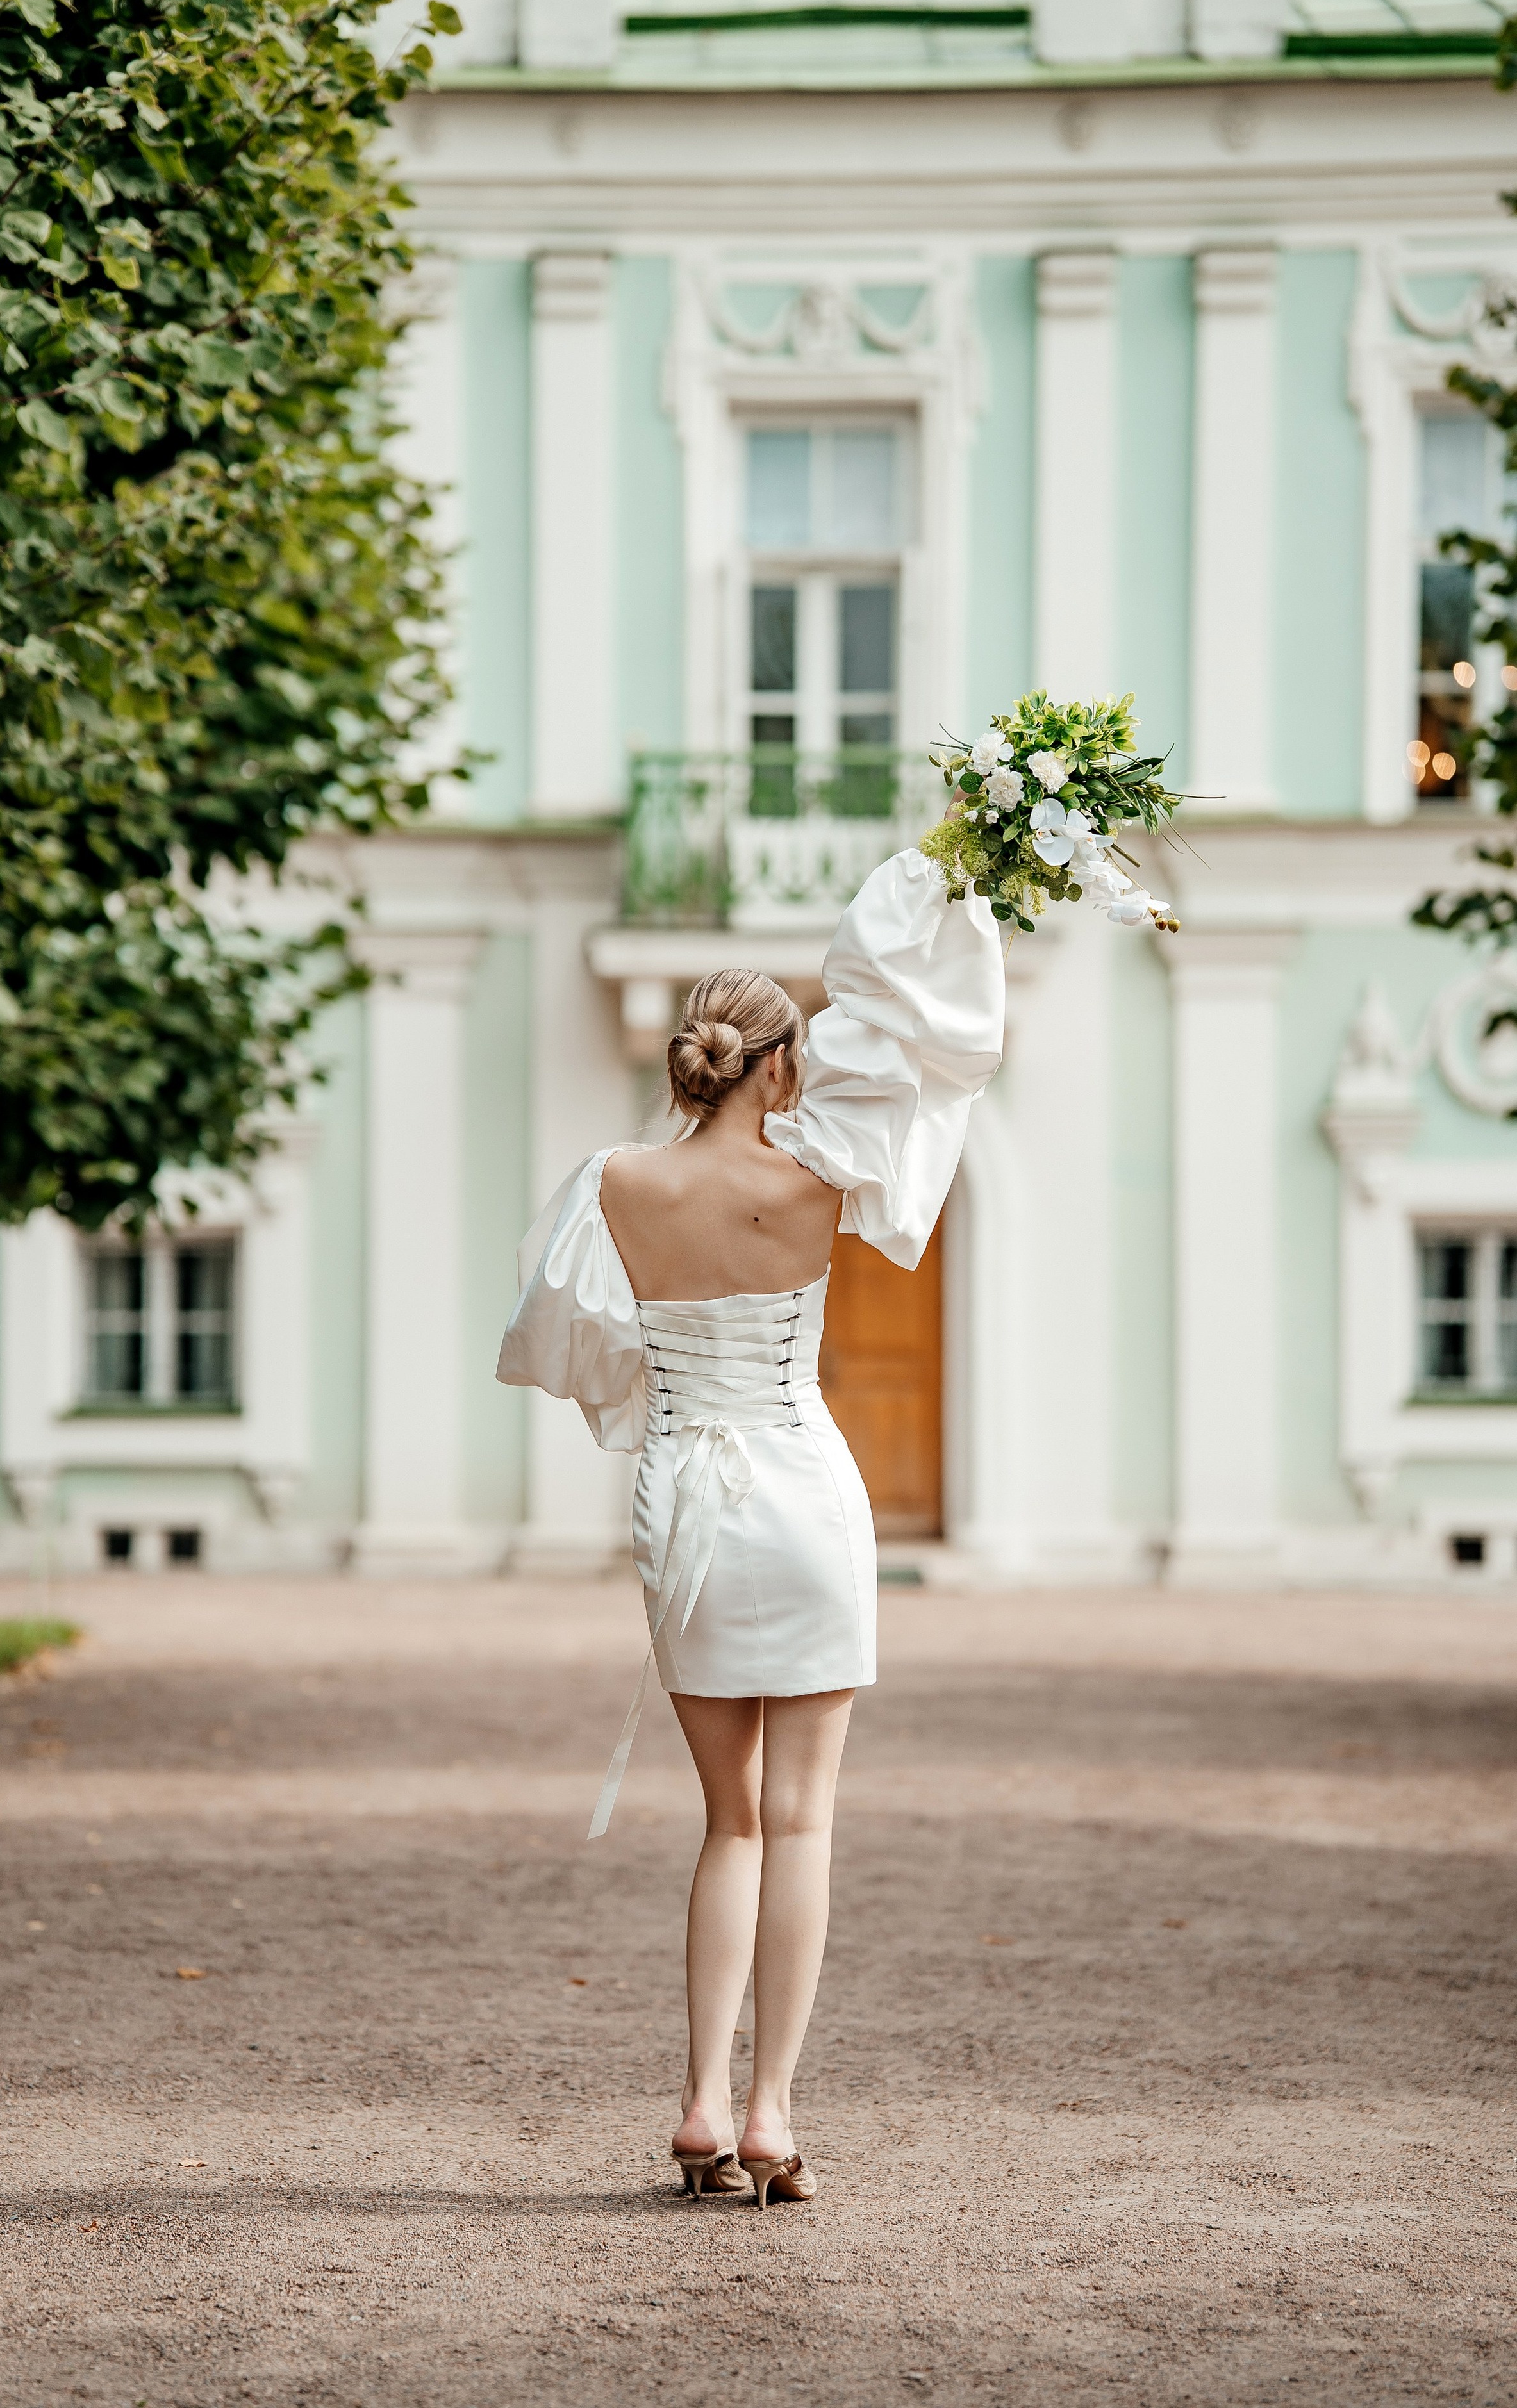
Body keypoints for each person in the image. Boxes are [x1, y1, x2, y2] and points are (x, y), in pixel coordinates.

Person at [497, 847, 1004, 2206]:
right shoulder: (818, 1186)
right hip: (806, 1491)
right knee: (804, 1821)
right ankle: (773, 2115)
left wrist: (658, 1416)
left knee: (726, 1823)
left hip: (687, 1508)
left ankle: (697, 2102)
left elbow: (568, 1348)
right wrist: (947, 889)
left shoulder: (612, 1183)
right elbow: (915, 1059)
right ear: (779, 1067)